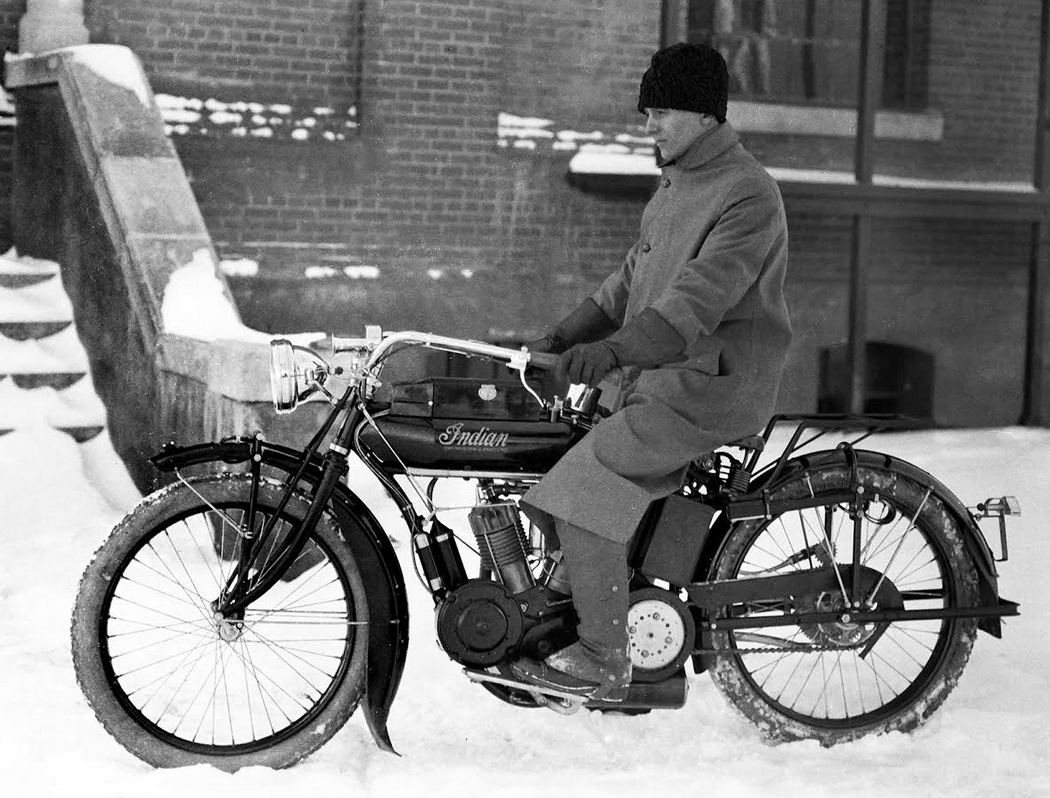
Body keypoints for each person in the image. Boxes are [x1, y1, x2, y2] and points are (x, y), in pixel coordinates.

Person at [512, 42, 793, 700]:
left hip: (707, 386)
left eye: (660, 111)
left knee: (586, 492)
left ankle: (606, 659)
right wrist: (564, 334)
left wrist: (610, 353)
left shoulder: (747, 194)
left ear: (703, 116)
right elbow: (630, 280)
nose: (648, 125)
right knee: (555, 470)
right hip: (659, 379)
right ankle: (564, 603)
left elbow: (697, 297)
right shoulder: (677, 186)